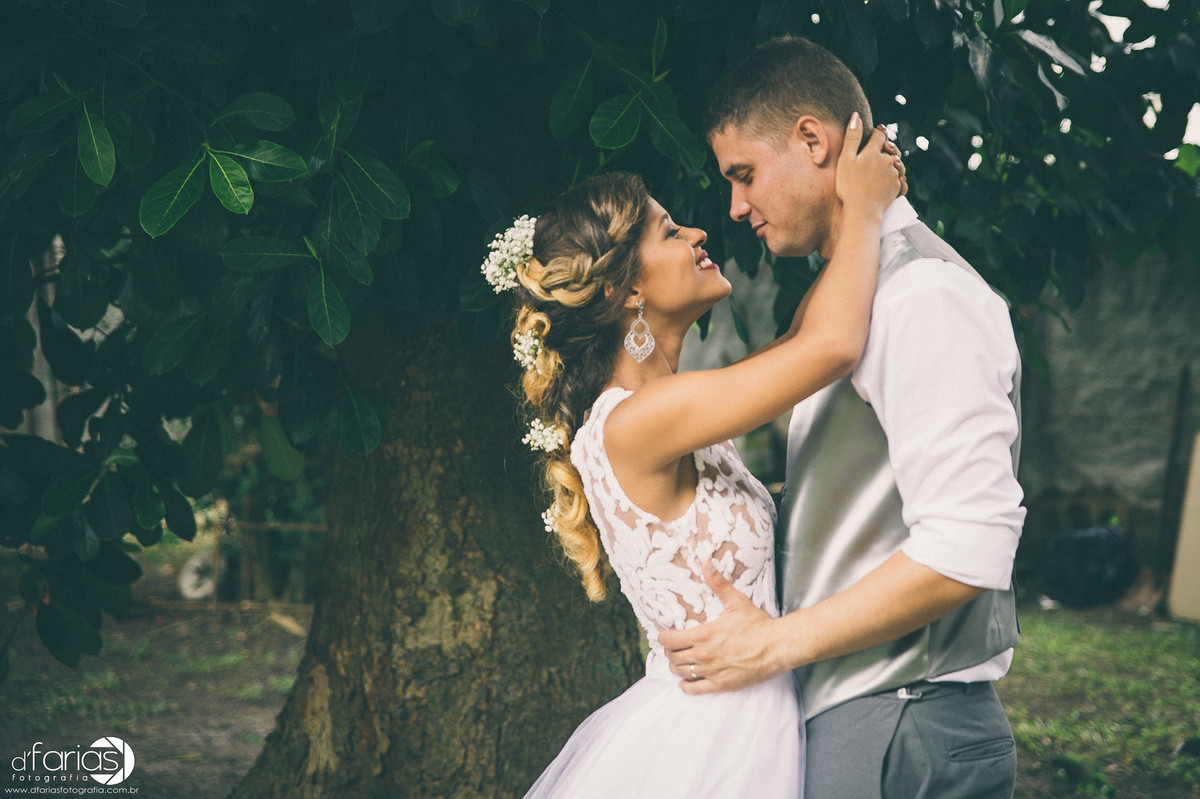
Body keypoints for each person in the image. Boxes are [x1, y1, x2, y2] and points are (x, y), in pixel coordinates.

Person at [481, 116, 902, 798]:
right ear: (628, 290)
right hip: (718, 739)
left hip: (746, 713)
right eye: (670, 232)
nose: (699, 233)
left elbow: (805, 335)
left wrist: (844, 210)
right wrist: (868, 211)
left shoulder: (667, 408)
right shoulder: (637, 420)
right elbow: (829, 347)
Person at [658, 36, 1025, 799]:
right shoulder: (852, 302)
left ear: (813, 140)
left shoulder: (922, 295)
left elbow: (969, 544)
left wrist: (770, 645)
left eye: (744, 174)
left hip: (901, 720)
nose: (735, 207)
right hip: (865, 717)